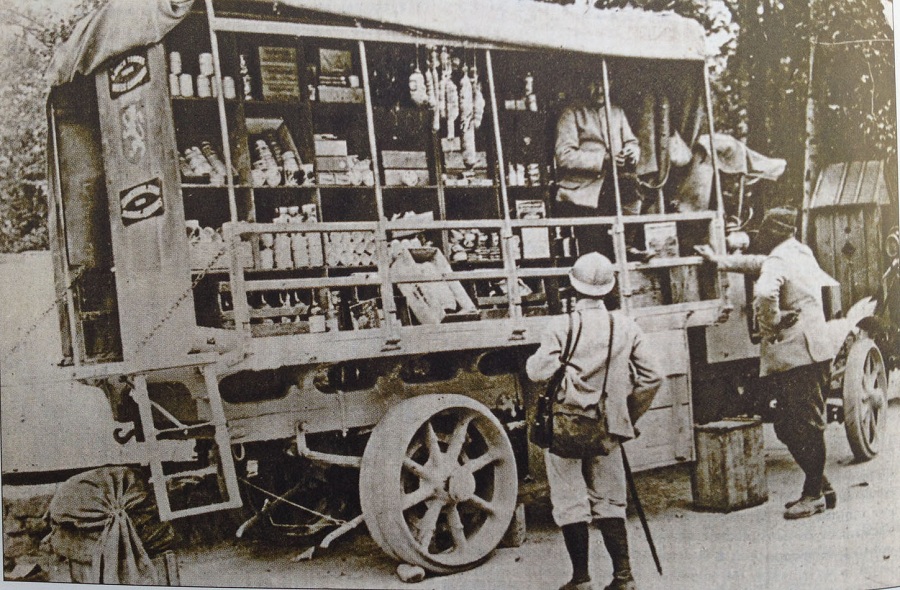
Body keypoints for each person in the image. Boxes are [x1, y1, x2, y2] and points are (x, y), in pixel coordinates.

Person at [526, 253, 663, 590]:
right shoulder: (625, 326)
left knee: (569, 499)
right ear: (609, 289)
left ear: (573, 286)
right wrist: (626, 417)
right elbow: (653, 376)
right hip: (608, 427)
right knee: (611, 498)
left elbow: (536, 371)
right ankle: (623, 577)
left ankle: (581, 579)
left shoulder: (562, 325)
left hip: (566, 427)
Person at [695, 206, 837, 519]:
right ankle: (820, 485)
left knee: (805, 426)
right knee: (789, 425)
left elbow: (763, 290)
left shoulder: (779, 258)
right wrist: (720, 261)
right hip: (813, 352)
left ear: (772, 232)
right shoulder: (799, 251)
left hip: (796, 354)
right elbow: (759, 264)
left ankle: (813, 494)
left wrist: (771, 323)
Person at [555, 79, 648, 259]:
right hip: (584, 189)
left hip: (613, 183)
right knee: (594, 249)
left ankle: (625, 245)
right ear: (584, 84)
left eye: (604, 84)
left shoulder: (617, 112)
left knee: (632, 186)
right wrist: (603, 160)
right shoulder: (572, 113)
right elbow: (564, 155)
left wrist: (632, 151)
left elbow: (631, 141)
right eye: (594, 84)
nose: (600, 90)